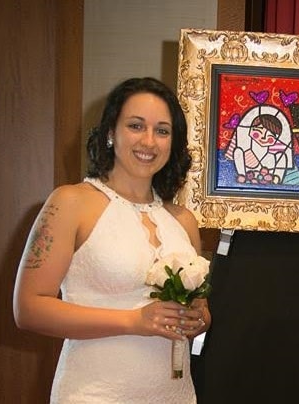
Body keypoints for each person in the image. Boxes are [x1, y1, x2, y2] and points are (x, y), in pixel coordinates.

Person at [13, 77, 210, 403]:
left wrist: (197, 318)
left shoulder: (183, 220)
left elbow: (202, 314)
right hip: (93, 393)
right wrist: (133, 320)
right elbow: (28, 308)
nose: (149, 141)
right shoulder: (71, 202)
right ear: (109, 133)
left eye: (162, 131)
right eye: (136, 126)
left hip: (174, 394)